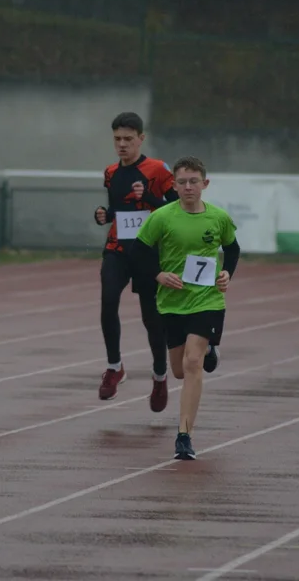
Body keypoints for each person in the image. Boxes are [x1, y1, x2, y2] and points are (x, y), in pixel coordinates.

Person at [132, 156, 240, 460]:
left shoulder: (218, 218)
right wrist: (158, 275)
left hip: (207, 300)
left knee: (192, 364)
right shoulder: (162, 217)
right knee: (179, 370)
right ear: (174, 186)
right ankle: (209, 352)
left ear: (204, 184)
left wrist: (226, 273)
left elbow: (232, 248)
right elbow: (139, 253)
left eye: (194, 181)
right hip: (171, 303)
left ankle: (184, 436)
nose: (188, 187)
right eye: (182, 182)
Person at [94, 112, 177, 410]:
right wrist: (104, 215)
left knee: (151, 319)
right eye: (117, 139)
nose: (122, 145)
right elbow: (117, 210)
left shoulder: (157, 170)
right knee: (107, 299)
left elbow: (176, 208)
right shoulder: (110, 172)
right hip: (118, 248)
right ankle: (115, 367)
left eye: (128, 139)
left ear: (142, 138)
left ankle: (159, 376)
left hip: (149, 252)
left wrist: (151, 199)